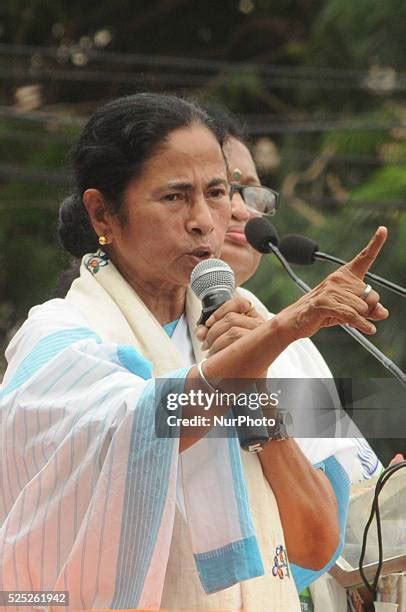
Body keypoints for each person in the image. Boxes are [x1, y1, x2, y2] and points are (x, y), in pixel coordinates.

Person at [0, 93, 389, 611]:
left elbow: (317, 544)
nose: (206, 220)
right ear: (102, 213)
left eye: (217, 192)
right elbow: (143, 422)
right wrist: (277, 336)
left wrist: (258, 390)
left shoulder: (256, 327)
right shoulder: (57, 335)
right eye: (175, 197)